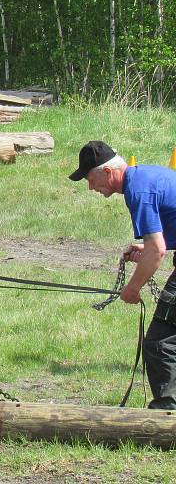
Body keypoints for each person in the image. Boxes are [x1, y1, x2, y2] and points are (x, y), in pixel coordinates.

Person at [70, 140, 176, 409]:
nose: (91, 187)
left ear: (107, 172)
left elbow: (157, 251)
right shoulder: (146, 176)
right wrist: (148, 247)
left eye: (90, 179)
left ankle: (168, 415)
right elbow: (158, 240)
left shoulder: (136, 190)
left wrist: (132, 288)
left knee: (160, 342)